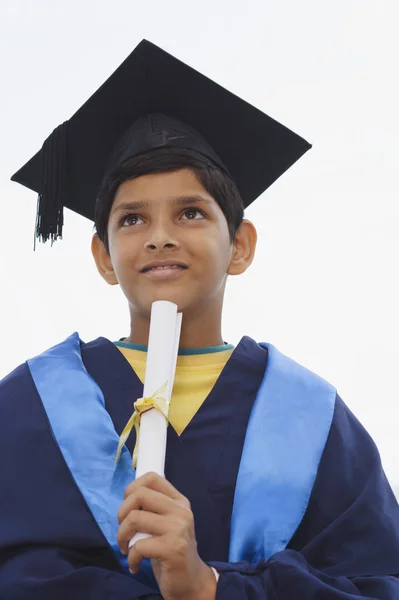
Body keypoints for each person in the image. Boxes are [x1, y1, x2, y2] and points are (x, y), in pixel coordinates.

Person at [1, 40, 398, 600]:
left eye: (191, 212)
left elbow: (375, 583)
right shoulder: (30, 403)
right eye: (132, 218)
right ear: (102, 257)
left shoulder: (312, 416)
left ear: (239, 245)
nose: (160, 235)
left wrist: (208, 586)